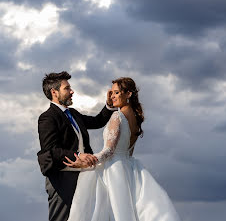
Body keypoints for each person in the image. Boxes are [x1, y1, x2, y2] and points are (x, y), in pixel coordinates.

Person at [64, 77, 181, 221]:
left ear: (128, 94)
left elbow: (109, 151)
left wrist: (88, 161)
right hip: (129, 169)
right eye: (111, 93)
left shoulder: (117, 116)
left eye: (116, 92)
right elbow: (128, 151)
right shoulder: (136, 119)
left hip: (112, 170)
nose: (112, 96)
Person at [37, 71, 116, 221]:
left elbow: (97, 121)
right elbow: (51, 150)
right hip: (62, 177)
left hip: (83, 175)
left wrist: (109, 106)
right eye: (67, 88)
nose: (72, 91)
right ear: (54, 92)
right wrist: (78, 156)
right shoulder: (47, 118)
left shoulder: (73, 113)